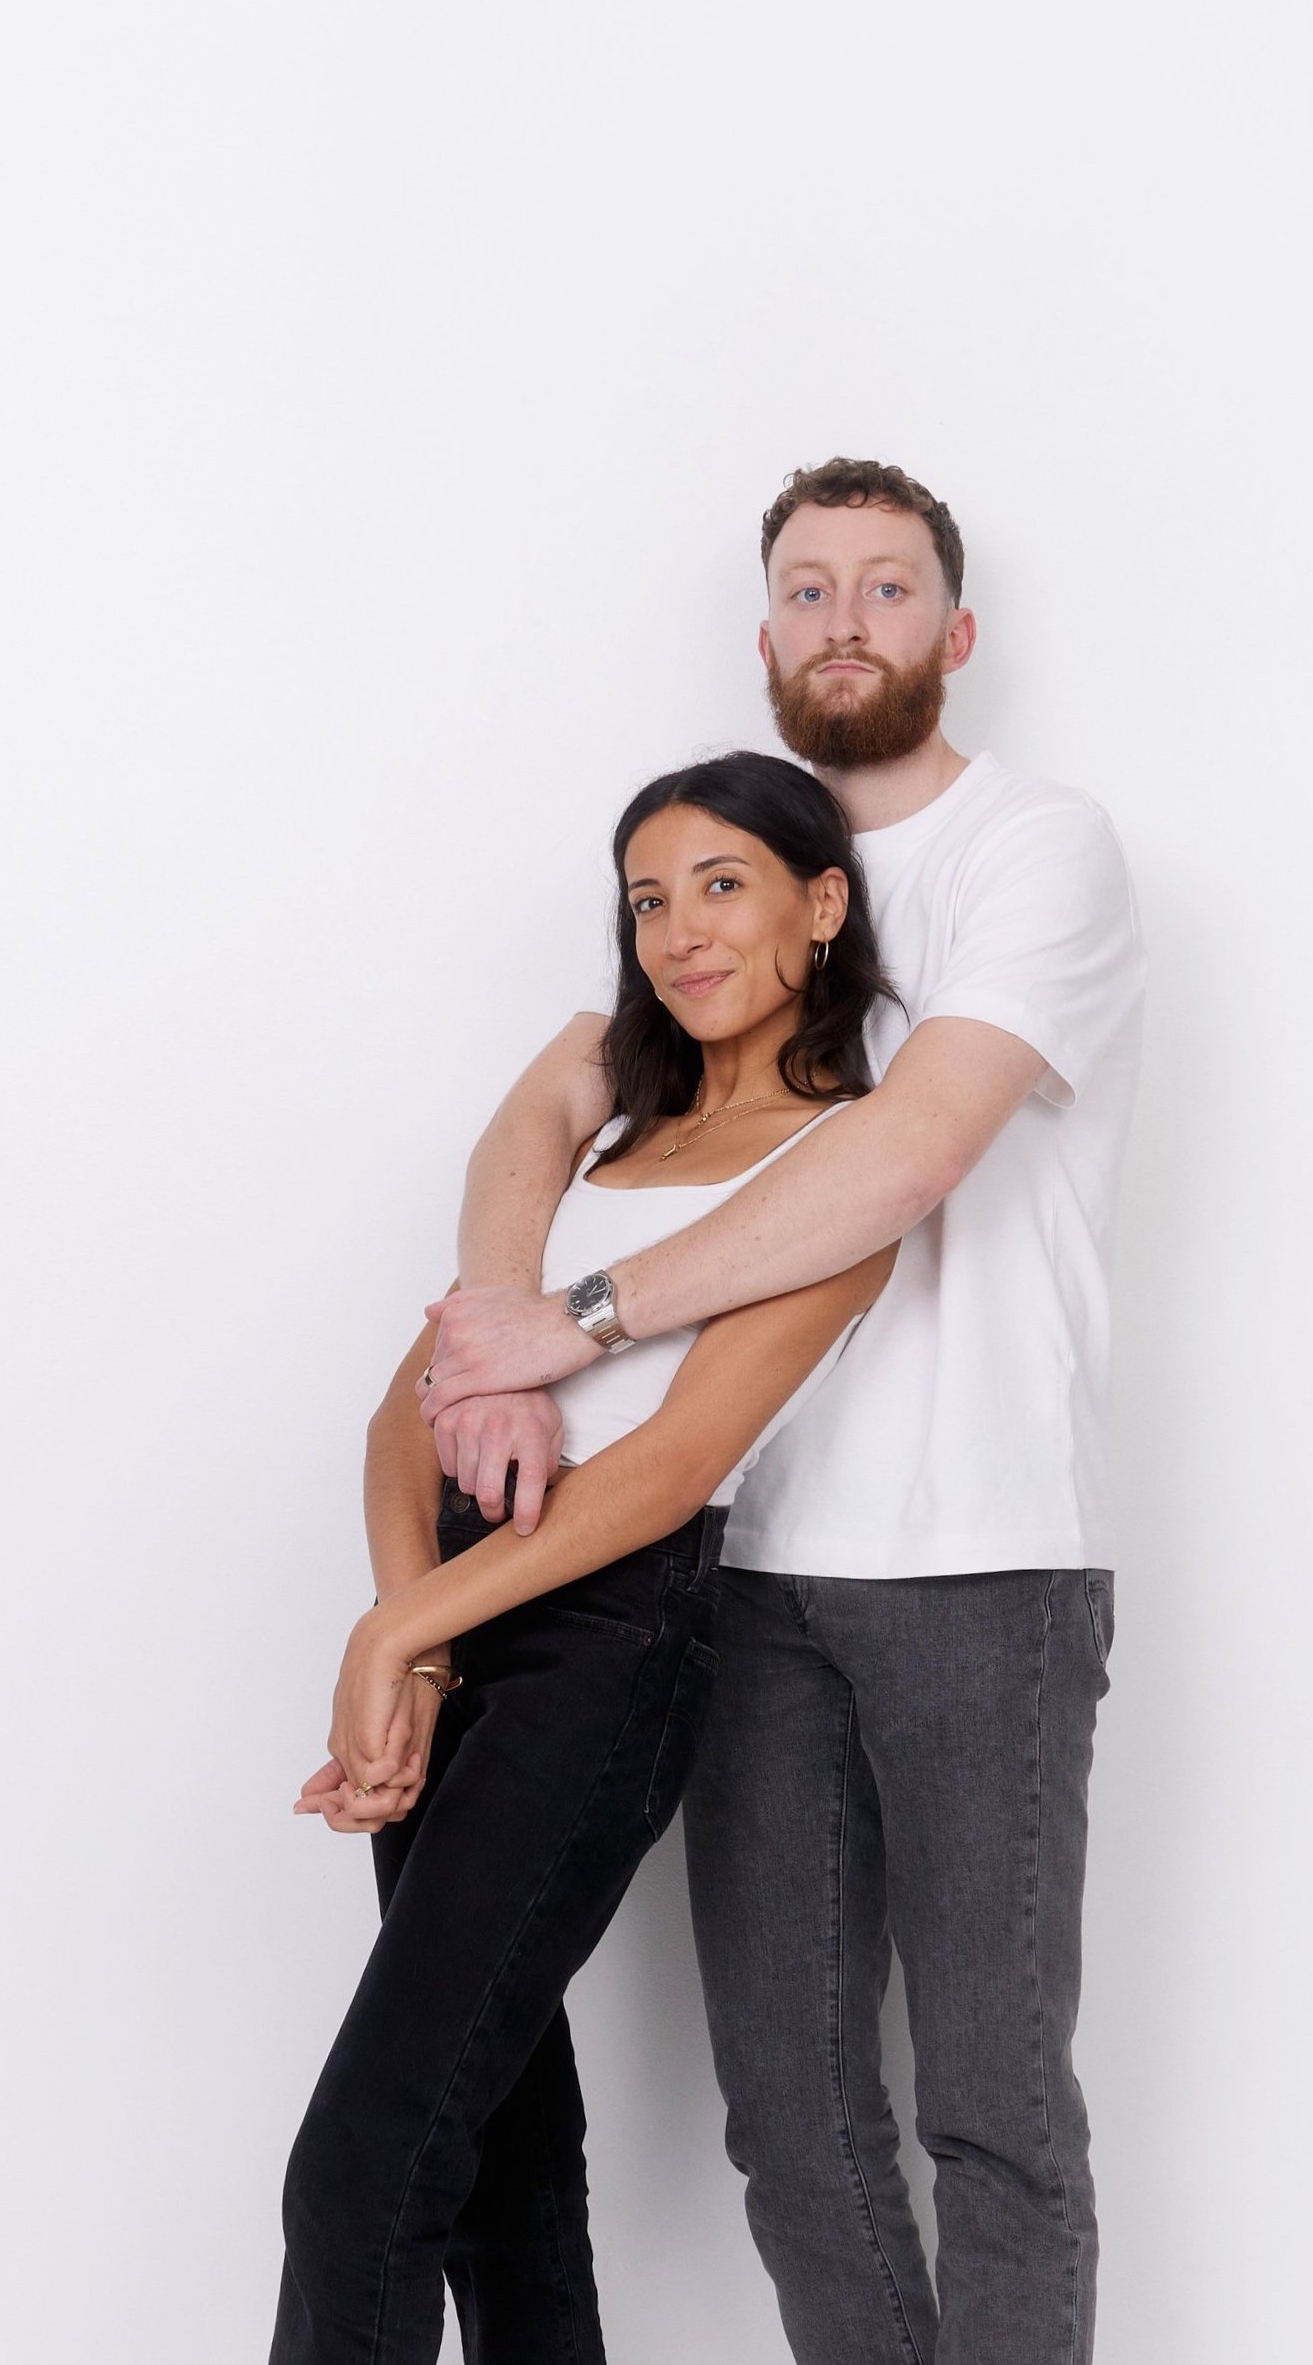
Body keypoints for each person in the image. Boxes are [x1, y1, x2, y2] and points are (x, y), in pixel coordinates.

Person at [418, 459, 1147, 2365]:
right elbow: (547, 1103)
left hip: (980, 1559)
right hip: (733, 1565)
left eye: (886, 589)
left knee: (994, 2117)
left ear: (953, 634)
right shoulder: (726, 871)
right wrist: (495, 1322)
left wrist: (574, 1319)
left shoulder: (1033, 851)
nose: (845, 621)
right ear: (763, 645)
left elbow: (901, 1160)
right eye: (807, 592)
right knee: (791, 2122)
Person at [272, 752, 901, 2365]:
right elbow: (410, 1410)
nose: (679, 933)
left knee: (361, 2171)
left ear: (820, 905)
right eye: (646, 901)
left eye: (722, 886)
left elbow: (677, 1468)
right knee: (492, 2164)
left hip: (607, 1642)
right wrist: (407, 1630)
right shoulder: (604, 1141)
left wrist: (400, 1628)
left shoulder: (834, 1173)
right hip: (462, 1611)